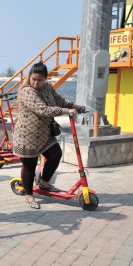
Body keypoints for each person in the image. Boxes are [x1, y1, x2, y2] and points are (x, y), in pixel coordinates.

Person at [12, 62, 84, 209]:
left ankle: (44, 183)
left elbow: (60, 100)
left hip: (45, 133)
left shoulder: (48, 87)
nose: (36, 83)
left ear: (45, 79)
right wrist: (66, 111)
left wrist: (76, 106)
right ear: (29, 77)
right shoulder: (27, 92)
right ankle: (29, 195)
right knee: (30, 167)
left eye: (39, 80)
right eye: (33, 79)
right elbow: (43, 109)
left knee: (55, 154)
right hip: (27, 136)